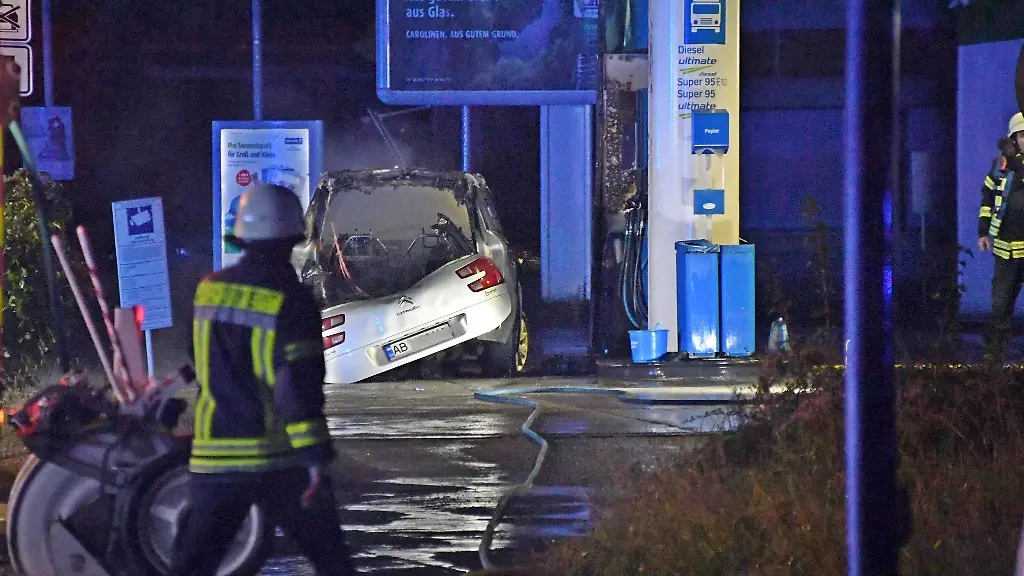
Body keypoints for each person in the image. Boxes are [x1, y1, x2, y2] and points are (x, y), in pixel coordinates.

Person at [169, 183, 356, 575]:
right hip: (277, 460)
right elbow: (296, 391)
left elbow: (198, 359)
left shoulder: (208, 292)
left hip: (212, 460)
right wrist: (315, 460)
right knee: (332, 563)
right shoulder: (292, 300)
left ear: (240, 236)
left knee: (191, 567)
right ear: (293, 236)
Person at [978, 112, 1024, 363]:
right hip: (1006, 248)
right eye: (1023, 135)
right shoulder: (1001, 165)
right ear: (1014, 138)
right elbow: (987, 200)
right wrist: (983, 232)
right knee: (1000, 304)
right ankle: (994, 353)